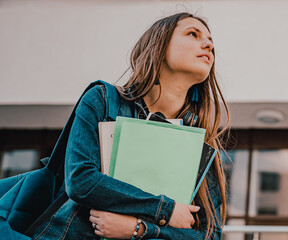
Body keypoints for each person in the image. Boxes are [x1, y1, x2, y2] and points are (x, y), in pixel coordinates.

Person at [32, 12, 229, 240]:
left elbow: (210, 234)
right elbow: (80, 180)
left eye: (210, 41)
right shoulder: (102, 100)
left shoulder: (201, 139)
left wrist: (139, 229)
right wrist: (166, 210)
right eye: (193, 34)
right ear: (159, 47)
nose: (208, 44)